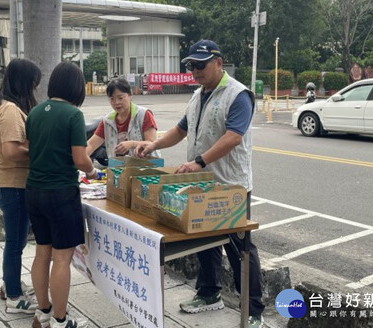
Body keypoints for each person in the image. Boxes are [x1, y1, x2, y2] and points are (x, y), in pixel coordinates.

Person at [136, 40, 265, 327]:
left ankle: (254, 309)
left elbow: (234, 136)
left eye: (201, 65)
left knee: (239, 248)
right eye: (191, 65)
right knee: (205, 242)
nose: (195, 71)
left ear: (219, 62)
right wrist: (153, 144)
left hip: (229, 186)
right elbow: (181, 130)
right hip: (202, 183)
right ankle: (209, 294)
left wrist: (199, 161)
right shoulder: (197, 95)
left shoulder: (238, 94)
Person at [25, 62, 95, 328]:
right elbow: (80, 159)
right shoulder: (73, 115)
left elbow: (32, 149)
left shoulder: (35, 112)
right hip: (61, 193)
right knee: (62, 258)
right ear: (77, 88)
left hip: (34, 190)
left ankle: (43, 312)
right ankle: (61, 320)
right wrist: (94, 170)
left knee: (42, 251)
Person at [0, 58, 41, 314]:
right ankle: (13, 296)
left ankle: (9, 284)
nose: (34, 89)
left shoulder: (7, 106)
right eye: (33, 84)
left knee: (16, 242)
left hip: (10, 184)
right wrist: (44, 150)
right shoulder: (10, 109)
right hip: (13, 184)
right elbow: (12, 151)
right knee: (15, 243)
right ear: (24, 82)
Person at [86, 77, 159, 158]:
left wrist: (132, 144)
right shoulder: (107, 121)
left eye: (120, 98)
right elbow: (91, 145)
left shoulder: (144, 114)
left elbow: (153, 144)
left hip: (146, 167)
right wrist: (79, 159)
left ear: (130, 95)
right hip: (119, 167)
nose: (116, 102)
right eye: (112, 99)